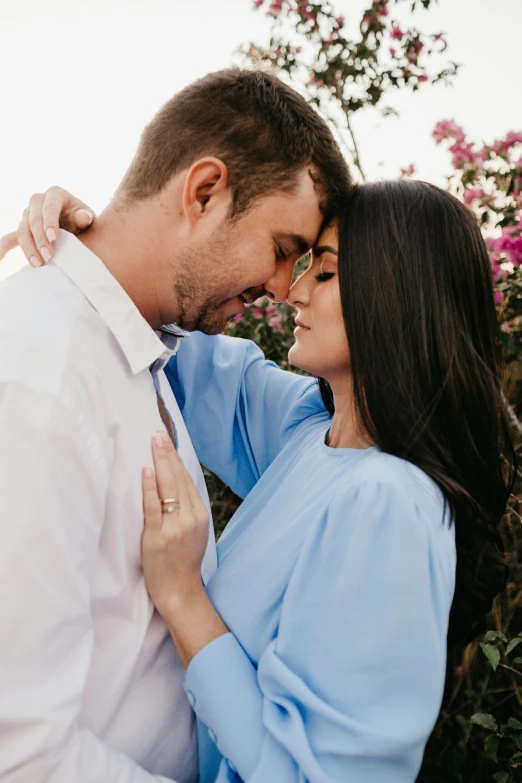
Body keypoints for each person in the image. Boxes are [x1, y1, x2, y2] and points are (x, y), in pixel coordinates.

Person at [9, 179, 515, 783]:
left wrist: (184, 599)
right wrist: (89, 238)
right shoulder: (309, 432)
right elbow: (157, 315)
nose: (292, 292)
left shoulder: (388, 503)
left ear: (397, 294)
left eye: (323, 274)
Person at [0, 68, 349, 783]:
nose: (284, 289)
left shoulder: (147, 352)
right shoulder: (43, 378)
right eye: (284, 249)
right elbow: (21, 747)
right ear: (205, 191)